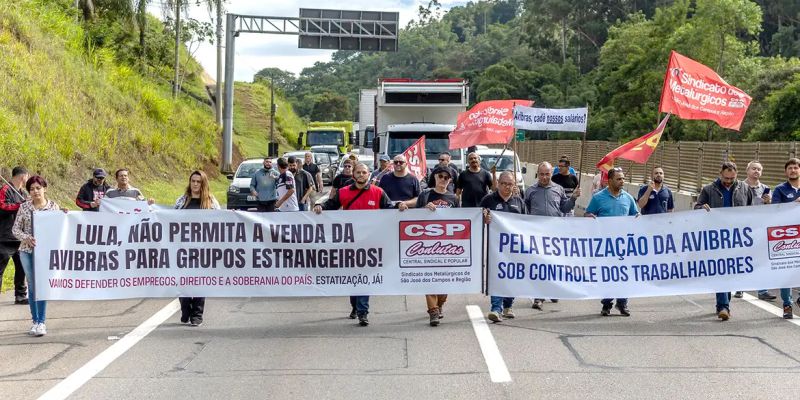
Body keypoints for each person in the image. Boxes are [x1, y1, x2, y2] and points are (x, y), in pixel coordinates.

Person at [314, 163, 399, 327]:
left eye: (364, 172)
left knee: (364, 277)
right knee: (354, 277)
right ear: (353, 175)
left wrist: (399, 206)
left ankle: (363, 312)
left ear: (369, 175)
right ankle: (355, 306)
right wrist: (320, 206)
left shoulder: (378, 192)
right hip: (350, 243)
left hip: (370, 244)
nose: (361, 175)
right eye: (358, 172)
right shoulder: (344, 192)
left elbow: (389, 208)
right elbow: (331, 205)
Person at [694, 161, 753, 321]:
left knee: (730, 272)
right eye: (726, 178)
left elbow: (751, 211)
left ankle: (724, 301)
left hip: (736, 237)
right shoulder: (708, 189)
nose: (728, 181)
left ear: (737, 174)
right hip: (716, 237)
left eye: (732, 178)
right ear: (720, 174)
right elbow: (696, 207)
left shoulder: (745, 189)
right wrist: (701, 208)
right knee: (721, 270)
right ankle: (723, 306)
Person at [403, 165, 459, 326]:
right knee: (430, 278)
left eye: (446, 177)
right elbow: (415, 218)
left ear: (450, 180)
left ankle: (440, 304)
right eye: (440, 176)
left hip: (447, 247)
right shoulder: (426, 194)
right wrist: (423, 209)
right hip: (427, 246)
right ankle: (433, 311)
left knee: (445, 281)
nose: (443, 179)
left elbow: (461, 220)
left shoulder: (453, 198)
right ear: (434, 177)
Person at [12, 175, 66, 336]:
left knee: (41, 285)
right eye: (32, 189)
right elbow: (15, 229)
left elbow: (61, 228)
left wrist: (65, 215)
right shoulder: (24, 207)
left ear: (44, 189)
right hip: (27, 251)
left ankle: (41, 321)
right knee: (32, 284)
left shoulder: (53, 207)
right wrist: (26, 238)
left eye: (38, 188)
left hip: (46, 253)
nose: (35, 191)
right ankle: (34, 321)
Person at [525, 162, 581, 309]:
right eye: (542, 174)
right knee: (539, 264)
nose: (544, 177)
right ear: (538, 174)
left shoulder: (559, 189)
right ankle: (538, 297)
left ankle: (552, 290)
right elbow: (525, 210)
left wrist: (573, 198)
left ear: (551, 173)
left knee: (553, 264)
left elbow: (564, 208)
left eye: (547, 174)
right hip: (537, 234)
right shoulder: (530, 190)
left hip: (554, 234)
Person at [585, 167, 639, 317]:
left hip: (624, 245)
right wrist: (590, 217)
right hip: (606, 245)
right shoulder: (598, 198)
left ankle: (622, 304)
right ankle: (607, 304)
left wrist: (639, 217)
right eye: (619, 179)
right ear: (609, 181)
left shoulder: (628, 198)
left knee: (624, 274)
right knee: (609, 275)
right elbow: (588, 213)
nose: (622, 181)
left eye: (623, 178)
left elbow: (635, 215)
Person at [175, 170, 221, 326]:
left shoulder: (211, 202)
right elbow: (169, 219)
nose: (195, 184)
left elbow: (221, 221)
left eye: (198, 181)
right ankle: (185, 308)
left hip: (203, 249)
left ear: (203, 183)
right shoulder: (182, 201)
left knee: (200, 282)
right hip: (183, 248)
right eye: (193, 181)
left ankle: (197, 314)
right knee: (183, 281)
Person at [481, 171, 527, 322]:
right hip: (495, 248)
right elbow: (477, 218)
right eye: (504, 183)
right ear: (498, 184)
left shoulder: (519, 202)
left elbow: (527, 223)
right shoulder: (488, 200)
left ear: (514, 185)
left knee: (512, 276)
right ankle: (496, 308)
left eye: (510, 184)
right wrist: (484, 218)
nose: (507, 187)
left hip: (514, 247)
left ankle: (508, 305)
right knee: (497, 276)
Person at [741, 160, 775, 300]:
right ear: (747, 170)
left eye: (759, 169)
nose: (756, 171)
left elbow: (772, 209)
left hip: (760, 227)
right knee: (742, 258)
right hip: (742, 227)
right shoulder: (739, 187)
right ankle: (739, 287)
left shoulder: (766, 188)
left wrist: (769, 202)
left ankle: (762, 291)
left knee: (761, 259)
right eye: (753, 168)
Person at [771, 158, 800, 319]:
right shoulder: (780, 189)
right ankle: (787, 304)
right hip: (787, 237)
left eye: (796, 168)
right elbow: (775, 210)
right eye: (790, 168)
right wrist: (793, 204)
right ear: (785, 172)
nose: (793, 170)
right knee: (786, 270)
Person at [0, 166, 29, 304]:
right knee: (0, 269)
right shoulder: (5, 189)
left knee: (22, 267)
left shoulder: (23, 194)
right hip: (5, 237)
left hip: (20, 237)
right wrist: (20, 205)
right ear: (23, 176)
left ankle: (20, 295)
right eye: (27, 176)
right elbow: (2, 206)